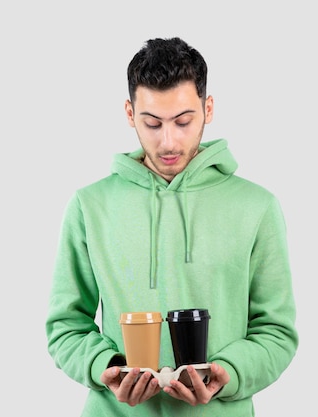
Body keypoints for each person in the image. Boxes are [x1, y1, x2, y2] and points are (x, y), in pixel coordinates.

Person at [45, 37, 298, 416]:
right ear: (130, 114)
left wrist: (228, 372)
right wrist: (106, 368)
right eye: (152, 123)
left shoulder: (257, 206)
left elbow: (277, 332)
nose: (168, 141)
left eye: (183, 121)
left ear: (207, 109)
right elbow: (66, 325)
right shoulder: (89, 205)